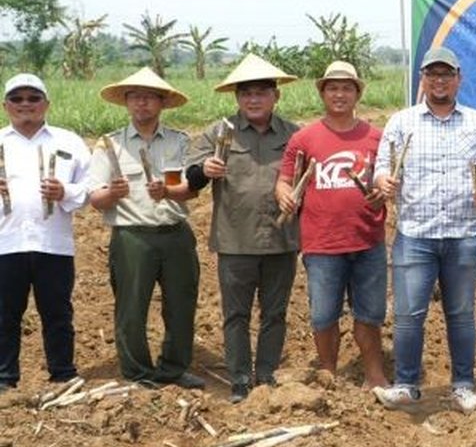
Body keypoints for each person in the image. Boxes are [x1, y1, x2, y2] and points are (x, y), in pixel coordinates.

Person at [371, 46, 476, 413]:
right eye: (432, 74)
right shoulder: (402, 122)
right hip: (416, 234)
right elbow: (382, 166)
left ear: (459, 79)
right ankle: (406, 385)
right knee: (408, 315)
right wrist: (384, 181)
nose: (439, 80)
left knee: (460, 313)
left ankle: (463, 386)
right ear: (423, 79)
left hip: (464, 234)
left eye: (446, 74)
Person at [185, 55, 300, 403]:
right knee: (236, 314)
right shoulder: (219, 133)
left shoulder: (295, 135)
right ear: (237, 97)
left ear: (276, 96)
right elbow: (191, 176)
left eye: (261, 92)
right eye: (246, 93)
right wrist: (204, 170)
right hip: (235, 240)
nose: (253, 99)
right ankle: (239, 379)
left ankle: (265, 375)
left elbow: (312, 179)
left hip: (281, 239)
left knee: (275, 313)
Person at [275, 61, 389, 390]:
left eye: (347, 88)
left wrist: (381, 193)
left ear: (357, 94)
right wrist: (284, 196)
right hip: (322, 244)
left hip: (367, 240)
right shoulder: (303, 139)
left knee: (369, 314)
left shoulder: (375, 137)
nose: (340, 94)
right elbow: (284, 181)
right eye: (333, 88)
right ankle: (329, 374)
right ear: (323, 93)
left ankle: (374, 374)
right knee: (324, 315)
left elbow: (386, 180)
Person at [88, 68, 203, 388]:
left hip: (175, 233)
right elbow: (95, 198)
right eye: (135, 97)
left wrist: (168, 191)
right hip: (132, 237)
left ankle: (173, 369)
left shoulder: (179, 141)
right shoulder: (109, 145)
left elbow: (190, 190)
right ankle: (137, 372)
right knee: (131, 307)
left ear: (162, 103)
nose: (142, 103)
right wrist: (113, 194)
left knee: (181, 305)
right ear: (126, 102)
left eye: (150, 97)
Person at [0, 73, 92, 393]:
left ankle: (63, 374)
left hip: (53, 243)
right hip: (6, 243)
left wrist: (65, 191)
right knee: (4, 314)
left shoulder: (69, 142)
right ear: (6, 105)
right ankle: (4, 378)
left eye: (33, 98)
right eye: (17, 99)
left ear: (46, 104)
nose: (25, 104)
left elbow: (90, 187)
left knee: (57, 312)